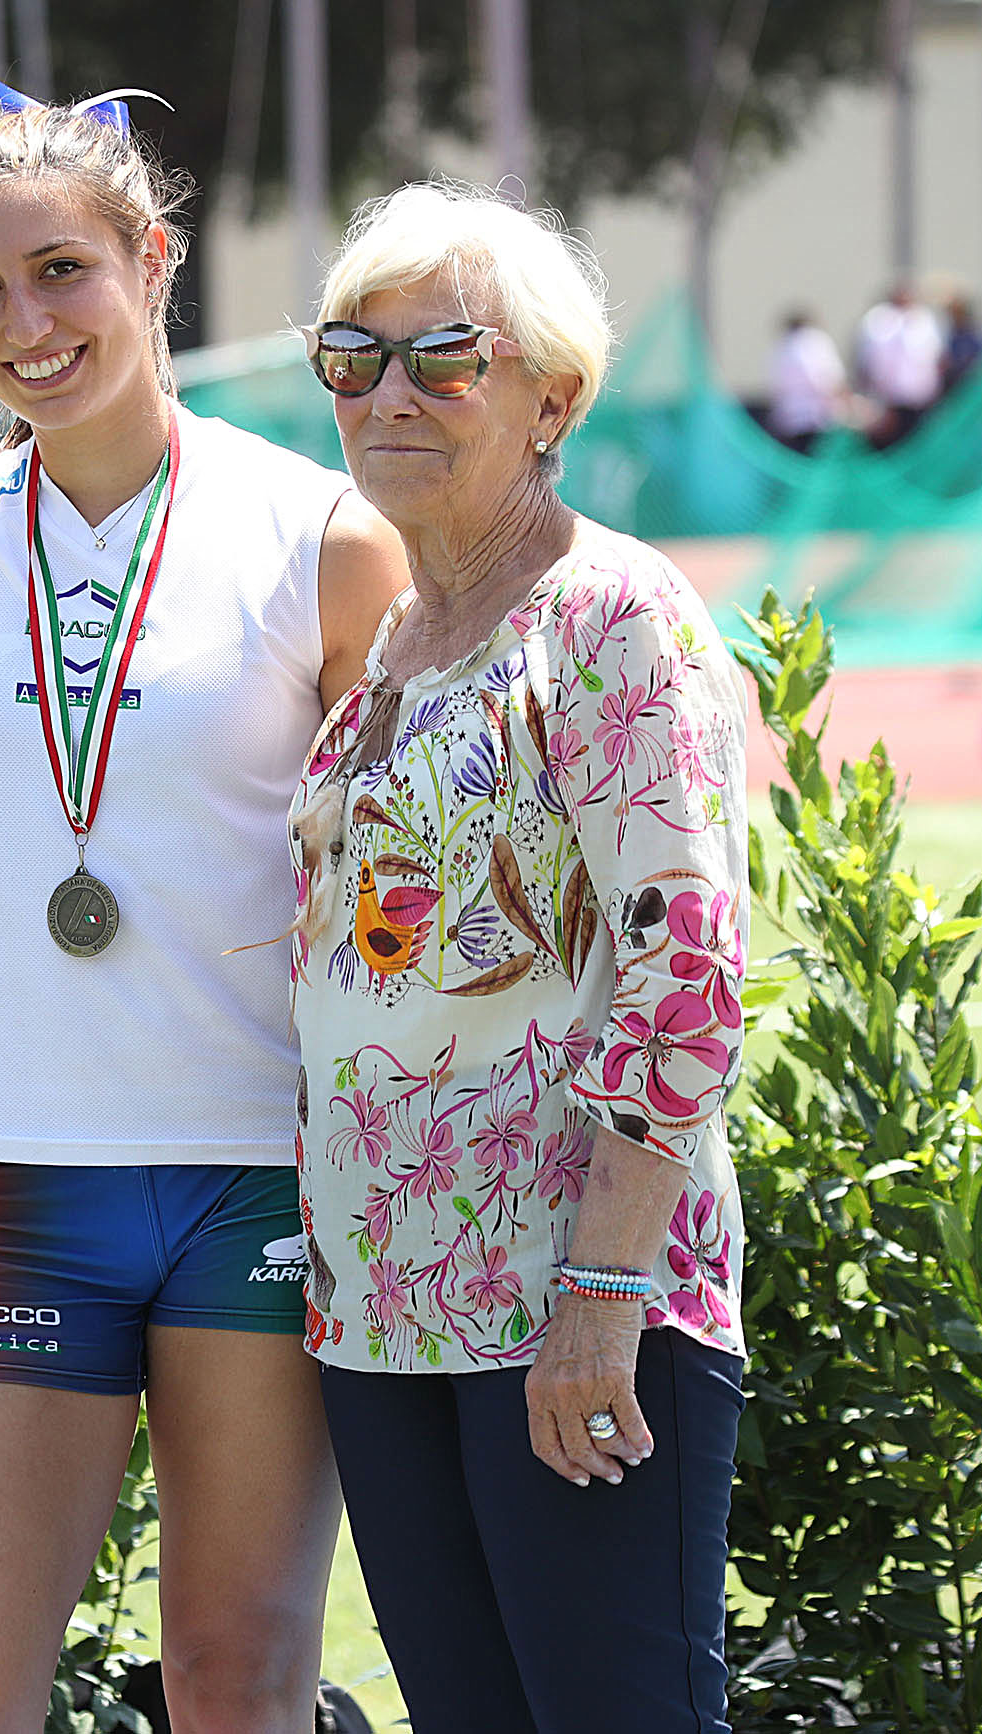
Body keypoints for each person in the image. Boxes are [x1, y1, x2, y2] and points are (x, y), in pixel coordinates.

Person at [0, 92, 408, 1731]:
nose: (24, 321)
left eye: (62, 270)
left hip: (255, 1172)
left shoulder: (320, 535)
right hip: (10, 1170)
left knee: (237, 1681)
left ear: (153, 261)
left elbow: (410, 876)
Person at [287, 180, 748, 1732]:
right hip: (387, 1314)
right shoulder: (397, 648)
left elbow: (686, 969)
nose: (389, 394)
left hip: (573, 1303)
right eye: (353, 356)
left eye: (444, 358)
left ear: (550, 397)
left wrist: (602, 1288)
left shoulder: (609, 612)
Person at [854, 280, 943, 445]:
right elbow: (869, 362)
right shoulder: (877, 320)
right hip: (888, 402)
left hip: (920, 401)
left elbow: (935, 358)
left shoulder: (924, 319)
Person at [763, 308, 844, 453]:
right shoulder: (814, 342)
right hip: (817, 417)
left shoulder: (781, 348)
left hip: (790, 420)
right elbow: (825, 380)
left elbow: (776, 386)